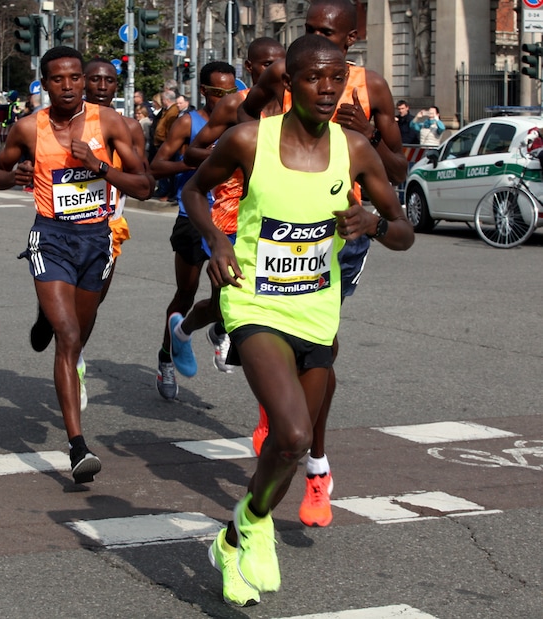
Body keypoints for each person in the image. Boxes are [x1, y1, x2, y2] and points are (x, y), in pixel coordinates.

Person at [183, 34, 413, 608]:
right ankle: (254, 524)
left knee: (290, 450)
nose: (328, 89)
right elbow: (192, 190)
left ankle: (235, 535)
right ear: (289, 83)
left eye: (337, 78)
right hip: (255, 302)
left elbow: (404, 233)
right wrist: (216, 239)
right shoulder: (248, 140)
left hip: (317, 309)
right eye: (315, 78)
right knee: (290, 434)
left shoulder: (354, 149)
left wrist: (374, 224)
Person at [239, 0, 409, 529]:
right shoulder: (281, 72)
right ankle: (286, 422)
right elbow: (241, 121)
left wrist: (370, 135)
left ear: (351, 38)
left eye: (327, 33)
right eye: (309, 30)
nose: (316, 38)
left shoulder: (370, 87)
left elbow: (399, 170)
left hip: (343, 229)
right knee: (278, 340)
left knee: (321, 351)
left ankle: (314, 458)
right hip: (276, 219)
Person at [0, 46, 151, 484]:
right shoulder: (28, 128)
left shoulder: (110, 123)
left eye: (75, 78)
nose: (68, 86)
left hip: (97, 239)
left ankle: (48, 311)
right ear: (44, 84)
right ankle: (78, 446)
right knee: (69, 336)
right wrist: (14, 177)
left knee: (78, 334)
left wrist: (99, 165)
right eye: (58, 79)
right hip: (51, 237)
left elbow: (145, 185)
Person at [27, 57, 151, 404]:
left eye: (108, 81)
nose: (101, 86)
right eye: (94, 79)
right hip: (61, 227)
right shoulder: (51, 124)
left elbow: (144, 179)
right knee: (65, 310)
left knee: (91, 304)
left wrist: (100, 166)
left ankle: (73, 350)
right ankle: (69, 353)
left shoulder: (126, 126)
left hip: (108, 224)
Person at [179, 37, 287, 375]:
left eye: (281, 62)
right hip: (229, 215)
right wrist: (224, 154)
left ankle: (232, 336)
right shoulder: (232, 105)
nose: (276, 70)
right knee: (223, 301)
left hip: (274, 214)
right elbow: (191, 153)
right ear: (250, 68)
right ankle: (182, 331)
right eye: (267, 64)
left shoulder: (297, 105)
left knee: (268, 301)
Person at [150, 62, 238, 400]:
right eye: (218, 92)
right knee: (185, 293)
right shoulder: (190, 122)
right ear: (204, 91)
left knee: (226, 295)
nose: (226, 98)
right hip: (192, 216)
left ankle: (219, 330)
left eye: (231, 92)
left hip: (228, 220)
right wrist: (196, 161)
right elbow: (157, 166)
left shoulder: (241, 123)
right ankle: (166, 357)